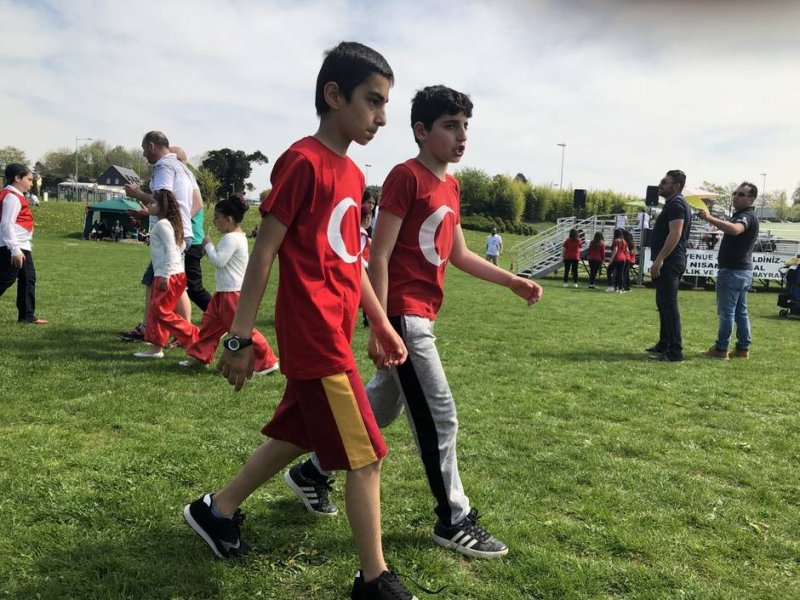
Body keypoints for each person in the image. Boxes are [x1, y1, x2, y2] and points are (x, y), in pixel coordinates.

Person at [182, 42, 418, 600]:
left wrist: (380, 322)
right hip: (315, 336)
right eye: (373, 101)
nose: (382, 117)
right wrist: (239, 338)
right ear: (334, 95)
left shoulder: (353, 174)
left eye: (385, 104)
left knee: (298, 432)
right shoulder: (303, 161)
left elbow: (351, 259)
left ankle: (216, 510)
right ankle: (374, 581)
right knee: (366, 456)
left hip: (335, 331)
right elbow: (264, 252)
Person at [284, 85, 543, 560]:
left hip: (419, 316)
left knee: (379, 409)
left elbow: (459, 253)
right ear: (421, 131)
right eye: (450, 126)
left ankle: (312, 471)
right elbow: (378, 255)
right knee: (441, 416)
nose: (461, 136)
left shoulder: (451, 186)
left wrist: (511, 281)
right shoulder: (406, 177)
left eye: (465, 126)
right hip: (403, 317)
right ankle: (454, 520)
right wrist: (380, 323)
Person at [180, 195, 279, 374]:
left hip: (231, 292)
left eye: (217, 217)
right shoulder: (237, 237)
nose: (215, 221)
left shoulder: (231, 238)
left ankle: (268, 361)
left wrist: (208, 245)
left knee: (242, 330)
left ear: (229, 219)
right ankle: (200, 356)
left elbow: (219, 261)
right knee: (210, 326)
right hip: (224, 292)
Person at [119, 132, 196, 343]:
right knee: (167, 283)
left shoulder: (164, 167)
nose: (144, 155)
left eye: (144, 149)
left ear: (152, 145)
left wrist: (138, 194)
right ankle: (173, 333)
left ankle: (182, 334)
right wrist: (147, 214)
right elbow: (191, 202)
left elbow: (163, 201)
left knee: (167, 284)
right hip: (180, 230)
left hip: (171, 232)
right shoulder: (183, 169)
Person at [698, 182, 759, 360]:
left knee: (727, 313)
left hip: (733, 271)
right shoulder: (744, 215)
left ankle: (721, 349)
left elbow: (734, 230)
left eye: (741, 194)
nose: (736, 197)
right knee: (740, 312)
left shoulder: (745, 217)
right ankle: (742, 348)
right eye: (735, 193)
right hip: (742, 271)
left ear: (751, 199)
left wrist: (710, 218)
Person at [134, 189, 198, 359]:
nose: (149, 205)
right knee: (156, 312)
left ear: (162, 206)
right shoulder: (168, 223)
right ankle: (156, 349)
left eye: (153, 202)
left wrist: (166, 274)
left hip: (168, 275)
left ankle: (194, 335)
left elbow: (171, 250)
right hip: (173, 274)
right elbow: (181, 246)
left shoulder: (163, 225)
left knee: (161, 312)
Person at [647, 169, 692, 362]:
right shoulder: (672, 204)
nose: (660, 184)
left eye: (665, 182)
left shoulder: (677, 204)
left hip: (671, 261)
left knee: (669, 305)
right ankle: (664, 343)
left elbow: (675, 233)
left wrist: (660, 260)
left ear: (676, 186)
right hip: (669, 260)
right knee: (663, 304)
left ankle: (675, 350)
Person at [0, 163, 47, 324]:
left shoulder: (14, 195)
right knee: (6, 279)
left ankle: (27, 315)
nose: (31, 183)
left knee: (28, 278)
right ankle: (26, 315)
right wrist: (15, 250)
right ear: (17, 178)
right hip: (12, 247)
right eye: (29, 179)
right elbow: (6, 225)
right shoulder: (12, 197)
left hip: (21, 246)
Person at [606, 229, 628, 293]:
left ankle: (610, 286)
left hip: (616, 258)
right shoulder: (624, 241)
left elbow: (615, 250)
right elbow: (627, 251)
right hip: (623, 258)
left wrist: (611, 259)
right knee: (620, 273)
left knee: (609, 272)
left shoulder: (615, 240)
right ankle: (620, 288)